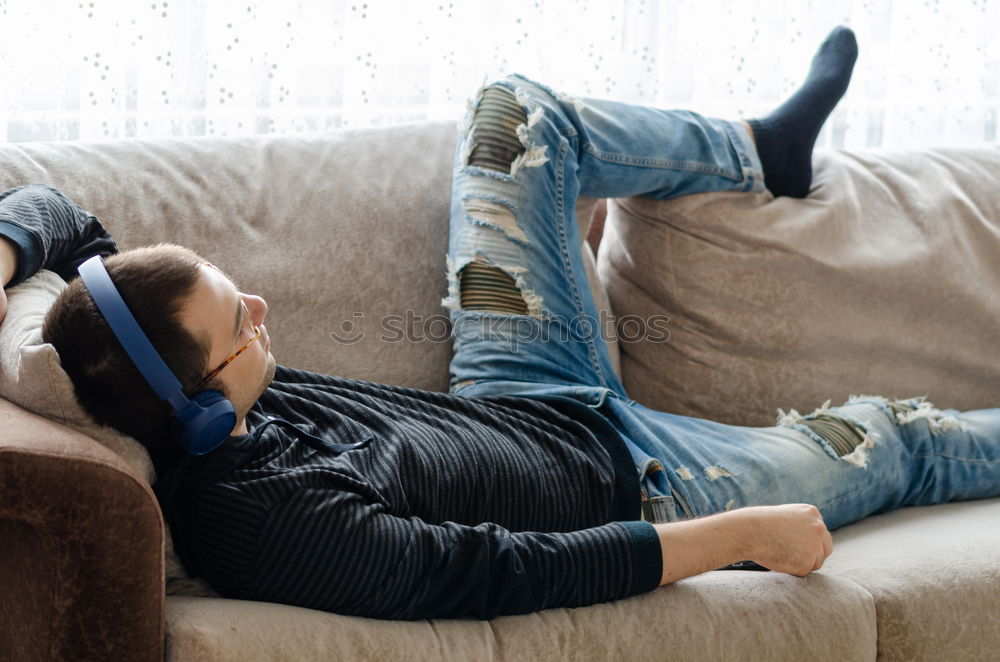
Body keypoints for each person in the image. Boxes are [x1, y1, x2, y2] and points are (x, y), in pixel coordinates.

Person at [1, 26, 999, 621]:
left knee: (512, 118)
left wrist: (5, 252)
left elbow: (56, 211)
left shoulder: (146, 347)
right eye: (240, 324)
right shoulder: (263, 516)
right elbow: (495, 572)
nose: (263, 310)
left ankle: (756, 149)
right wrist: (738, 534)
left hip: (522, 387)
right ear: (203, 408)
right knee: (894, 434)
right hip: (646, 482)